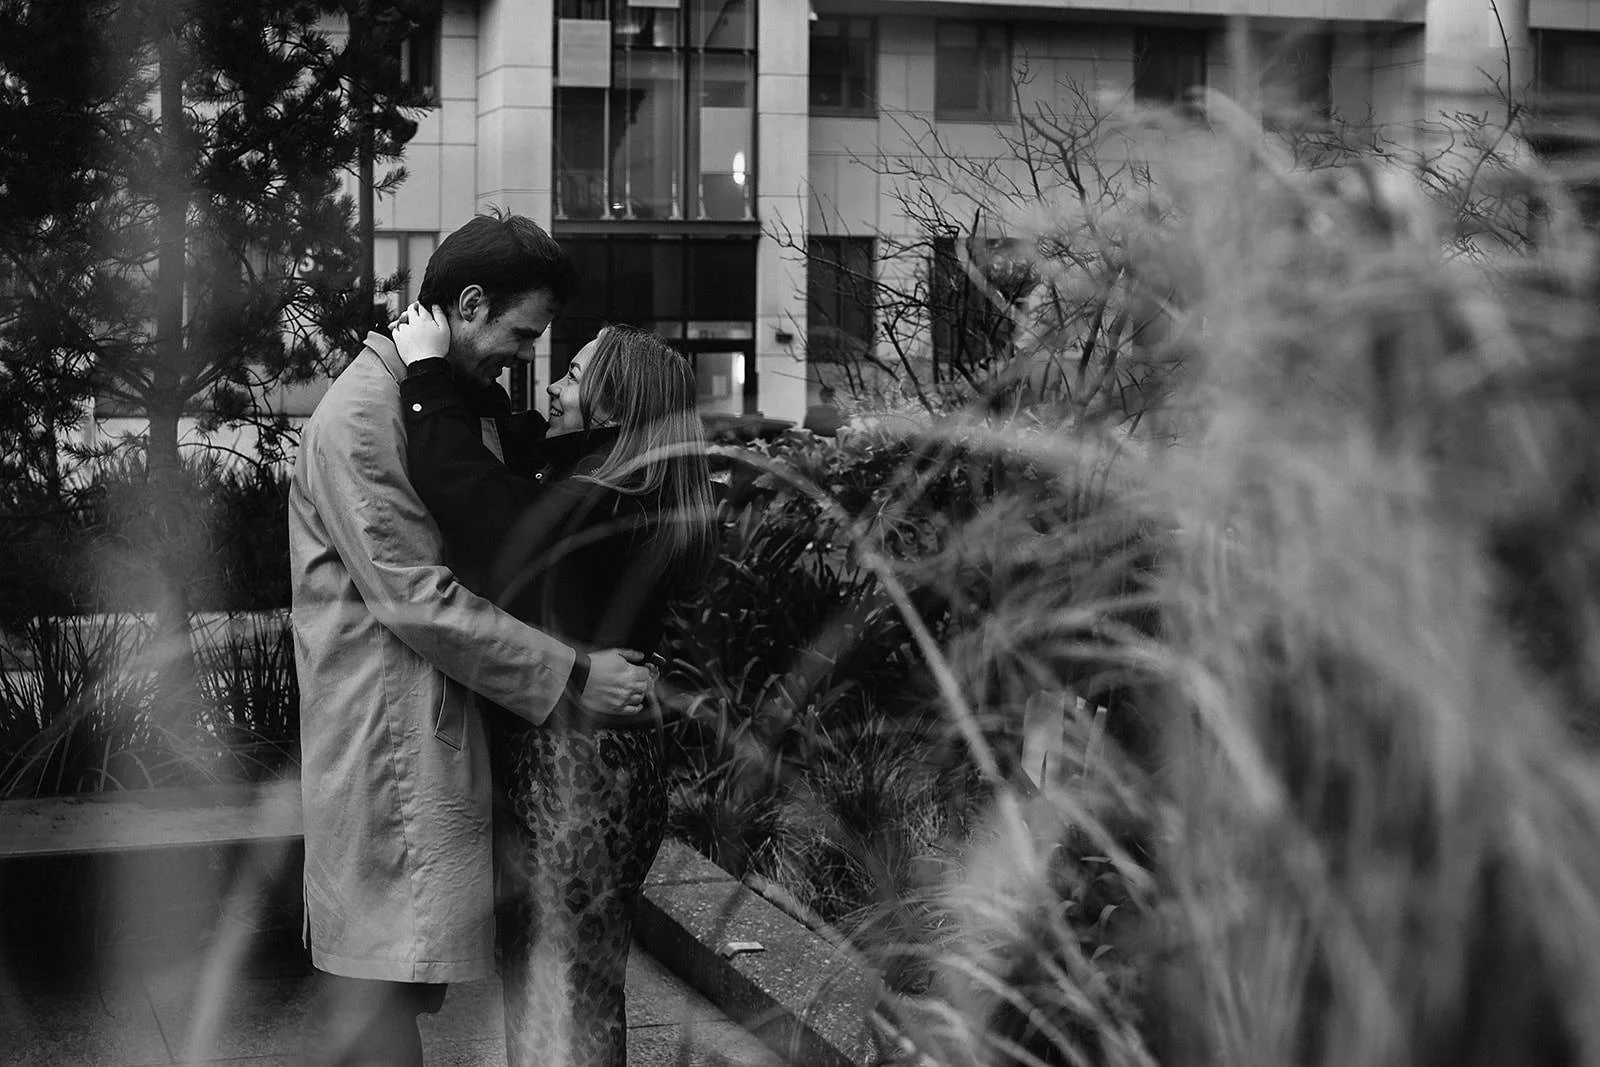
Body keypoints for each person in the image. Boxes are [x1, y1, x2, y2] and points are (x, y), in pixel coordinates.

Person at [287, 213, 655, 1067]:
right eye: (521, 334)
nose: (524, 358)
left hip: (423, 735)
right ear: (472, 302)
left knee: (395, 990)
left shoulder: (426, 395)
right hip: (388, 748)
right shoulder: (366, 413)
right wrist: (572, 677)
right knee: (377, 1001)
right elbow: (419, 599)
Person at [391, 306, 716, 1067]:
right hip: (611, 773)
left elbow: (474, 501)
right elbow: (527, 458)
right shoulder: (632, 491)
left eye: (573, 376)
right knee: (580, 982)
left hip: (578, 782)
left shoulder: (602, 499)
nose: (556, 387)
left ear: (611, 409)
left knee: (560, 986)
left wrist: (428, 376)